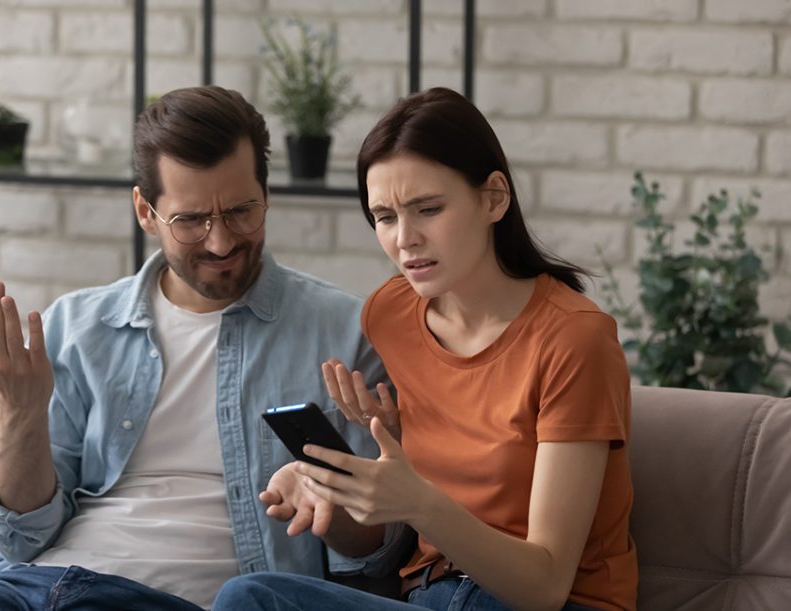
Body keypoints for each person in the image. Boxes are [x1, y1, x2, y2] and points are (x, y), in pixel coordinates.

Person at [0, 86, 407, 611]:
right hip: (32, 587)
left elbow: (375, 555)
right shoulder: (78, 326)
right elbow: (22, 538)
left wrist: (329, 501)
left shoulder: (344, 333)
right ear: (145, 211)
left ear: (266, 195)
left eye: (241, 211)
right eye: (191, 221)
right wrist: (18, 411)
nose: (221, 242)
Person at [213, 87, 638, 611]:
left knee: (251, 598)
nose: (405, 239)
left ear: (494, 198)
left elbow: (545, 586)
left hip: (545, 604)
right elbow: (384, 528)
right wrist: (342, 484)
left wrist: (418, 501)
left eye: (428, 209)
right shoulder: (390, 314)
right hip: (430, 595)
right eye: (385, 217)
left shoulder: (573, 339)